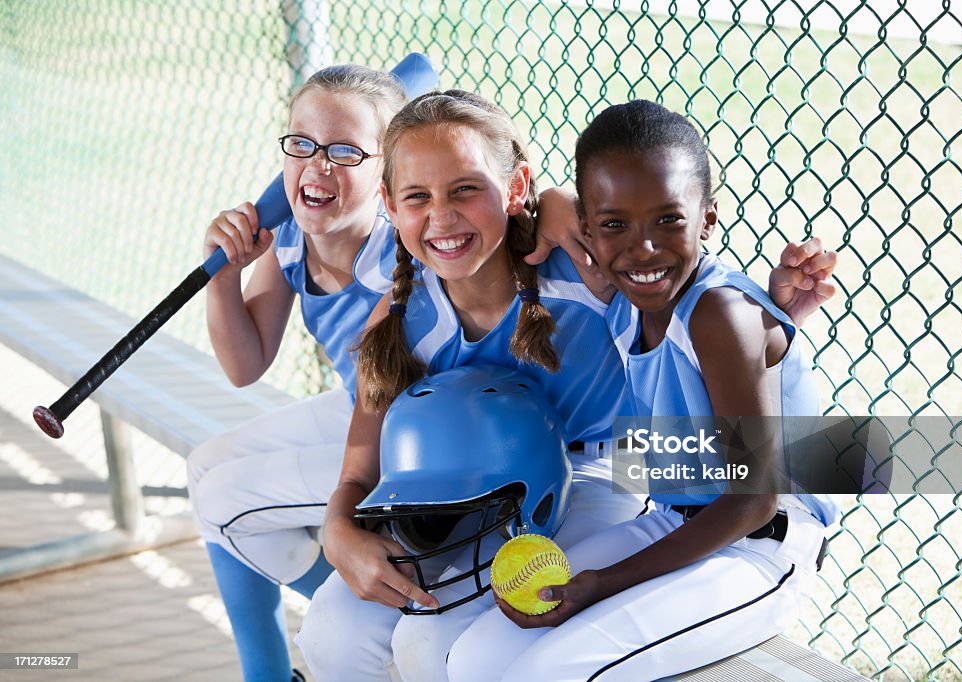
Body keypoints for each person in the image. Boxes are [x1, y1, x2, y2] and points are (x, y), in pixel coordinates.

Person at [295, 91, 837, 681]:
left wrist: (769, 326)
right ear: (390, 207)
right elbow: (714, 440)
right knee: (444, 648)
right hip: (674, 510)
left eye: (466, 190)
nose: (640, 247)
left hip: (755, 537)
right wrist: (338, 530)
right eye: (610, 227)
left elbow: (756, 489)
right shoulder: (629, 298)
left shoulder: (622, 288)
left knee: (519, 663)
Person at [185, 64, 407, 682]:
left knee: (223, 503)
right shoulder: (287, 237)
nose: (318, 165)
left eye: (344, 151)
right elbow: (245, 364)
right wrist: (222, 273)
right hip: (354, 405)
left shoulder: (402, 249)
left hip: (402, 432)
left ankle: (364, 596)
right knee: (204, 464)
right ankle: (272, 666)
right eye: (302, 144)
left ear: (388, 175)